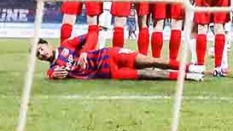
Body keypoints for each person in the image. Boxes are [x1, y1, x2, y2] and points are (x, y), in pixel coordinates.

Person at [36, 36, 203, 82]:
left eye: (41, 49)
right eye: (38, 55)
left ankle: (192, 68)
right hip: (110, 73)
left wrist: (85, 52)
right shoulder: (54, 69)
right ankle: (189, 77)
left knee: (152, 61)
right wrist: (53, 76)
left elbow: (93, 34)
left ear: (48, 44)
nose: (42, 54)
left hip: (110, 54)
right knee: (148, 74)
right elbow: (51, 74)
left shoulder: (67, 46)